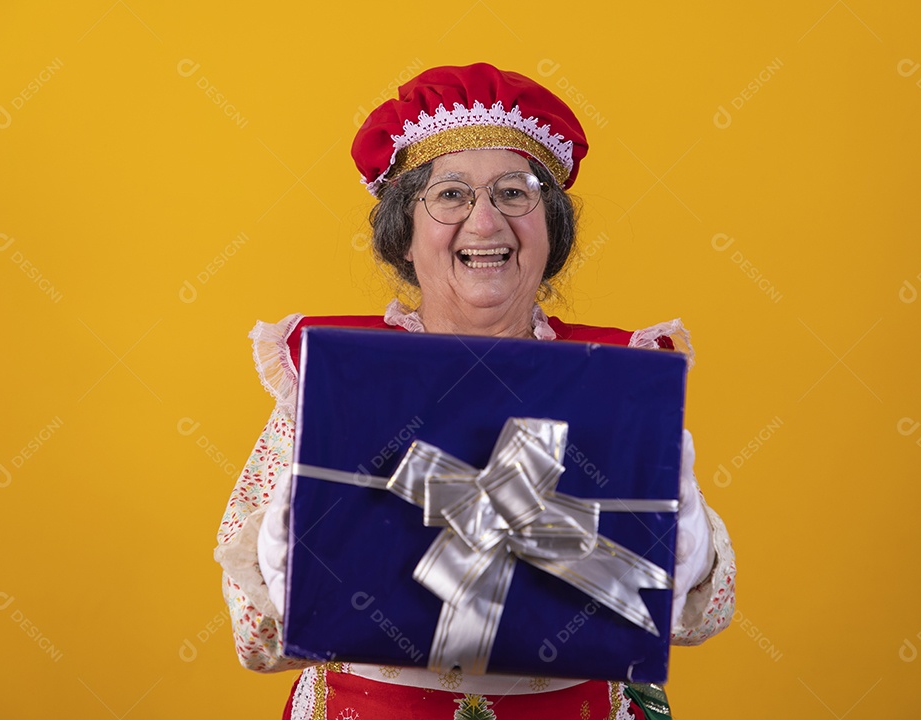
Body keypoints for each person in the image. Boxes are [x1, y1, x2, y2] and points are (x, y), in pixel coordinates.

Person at [214, 63, 736, 720]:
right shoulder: (332, 386)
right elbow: (256, 639)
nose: (485, 223)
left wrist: (680, 549)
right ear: (405, 233)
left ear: (553, 228)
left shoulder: (614, 378)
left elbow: (700, 617)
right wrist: (284, 556)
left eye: (515, 193)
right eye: (451, 194)